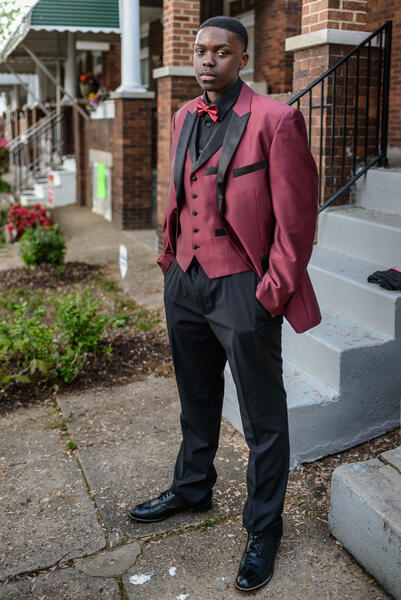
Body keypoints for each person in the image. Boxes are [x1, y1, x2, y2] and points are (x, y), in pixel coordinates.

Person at [129, 15, 321, 593]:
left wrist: (273, 289)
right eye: (201, 50)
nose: (207, 59)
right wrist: (168, 258)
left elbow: (297, 219)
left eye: (221, 52)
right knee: (196, 395)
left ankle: (264, 527)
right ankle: (193, 488)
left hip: (242, 284)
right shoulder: (183, 115)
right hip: (185, 281)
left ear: (242, 59)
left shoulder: (277, 120)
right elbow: (179, 191)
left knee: (262, 414)